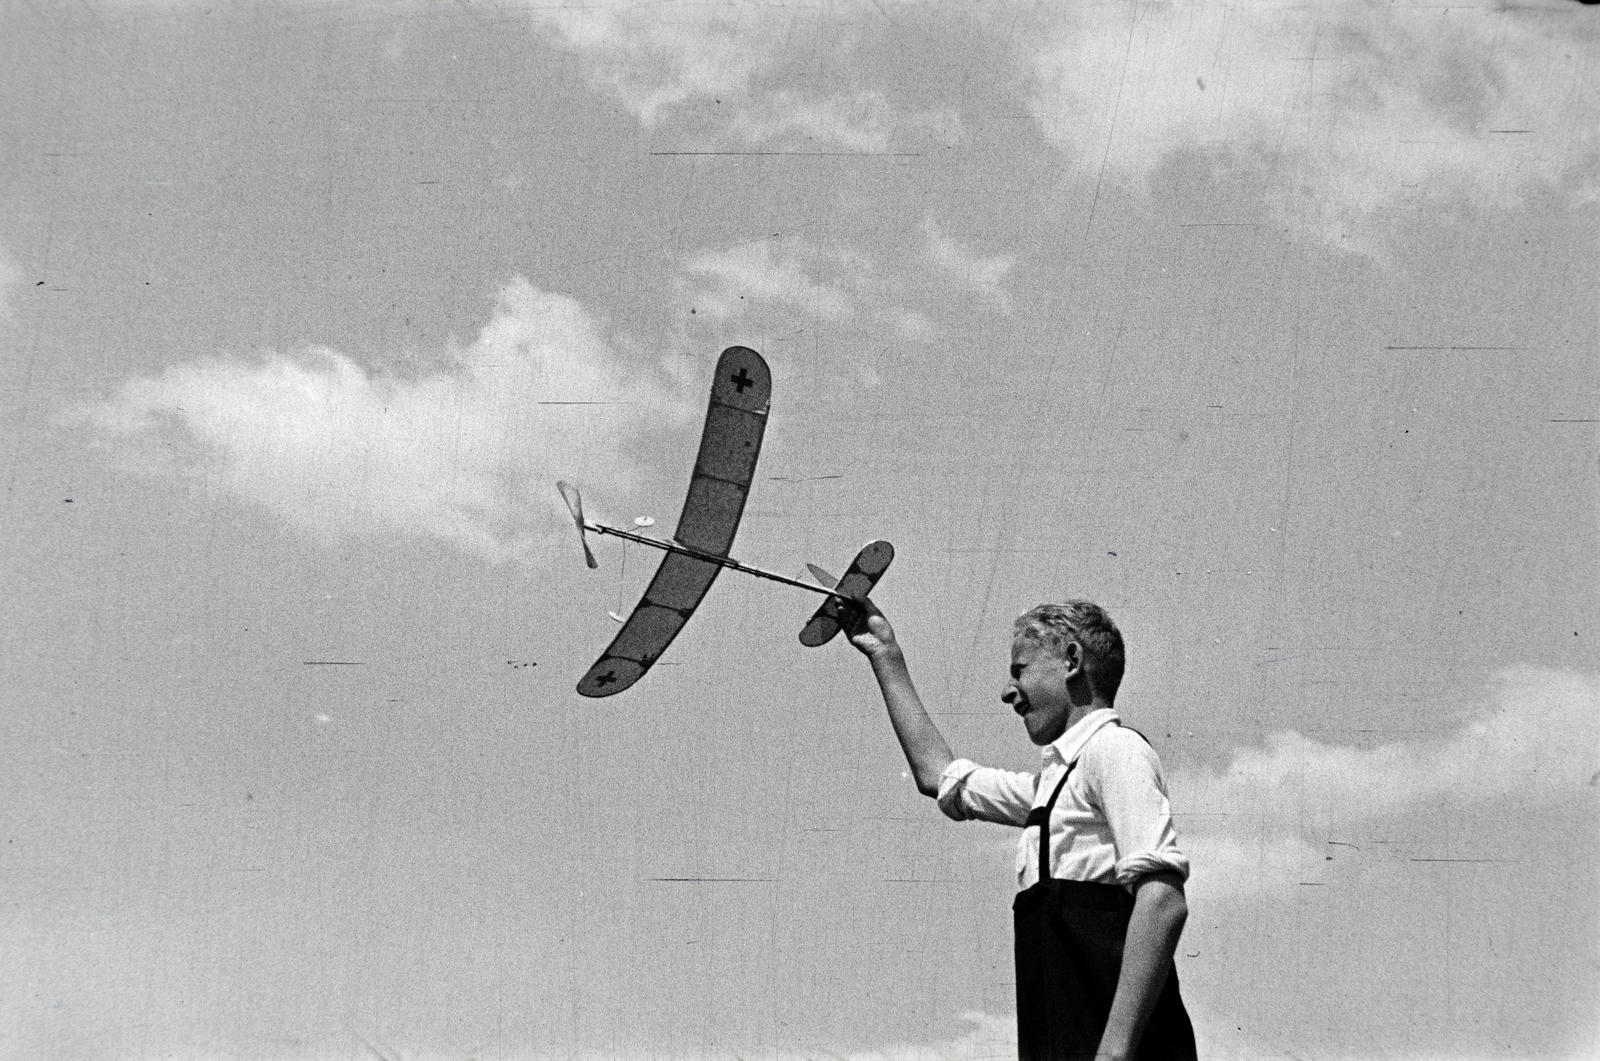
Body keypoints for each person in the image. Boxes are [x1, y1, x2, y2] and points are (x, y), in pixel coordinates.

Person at [840, 598, 1197, 1061]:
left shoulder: (1115, 750)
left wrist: (1113, 1052)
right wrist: (885, 654)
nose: (1008, 691)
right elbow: (939, 776)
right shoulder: (1049, 791)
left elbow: (1163, 898)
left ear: (1071, 660)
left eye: (1020, 669)